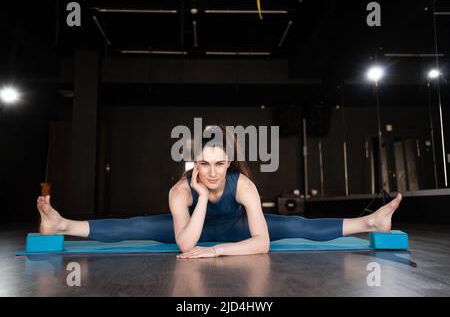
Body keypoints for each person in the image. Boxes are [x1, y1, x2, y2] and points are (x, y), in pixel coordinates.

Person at [36, 125, 402, 259]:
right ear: (195, 164)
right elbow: (184, 245)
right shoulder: (180, 190)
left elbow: (261, 243)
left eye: (218, 164)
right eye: (204, 165)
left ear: (228, 164)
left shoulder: (243, 185)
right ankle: (61, 225)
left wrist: (217, 252)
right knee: (136, 226)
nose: (211, 173)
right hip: (184, 228)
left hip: (236, 230)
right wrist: (196, 197)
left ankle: (372, 221)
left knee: (294, 225)